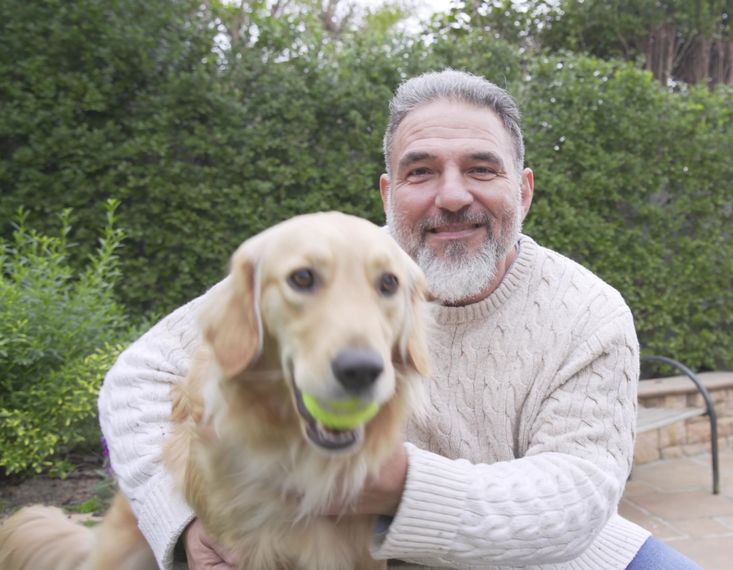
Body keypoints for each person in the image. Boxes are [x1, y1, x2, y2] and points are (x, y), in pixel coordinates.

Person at [99, 69, 701, 569]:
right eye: (421, 172)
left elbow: (577, 495)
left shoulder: (589, 313)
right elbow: (137, 376)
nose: (452, 195)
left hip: (544, 553)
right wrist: (179, 522)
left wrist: (394, 485)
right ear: (388, 195)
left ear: (524, 190)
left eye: (481, 169)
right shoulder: (320, 263)